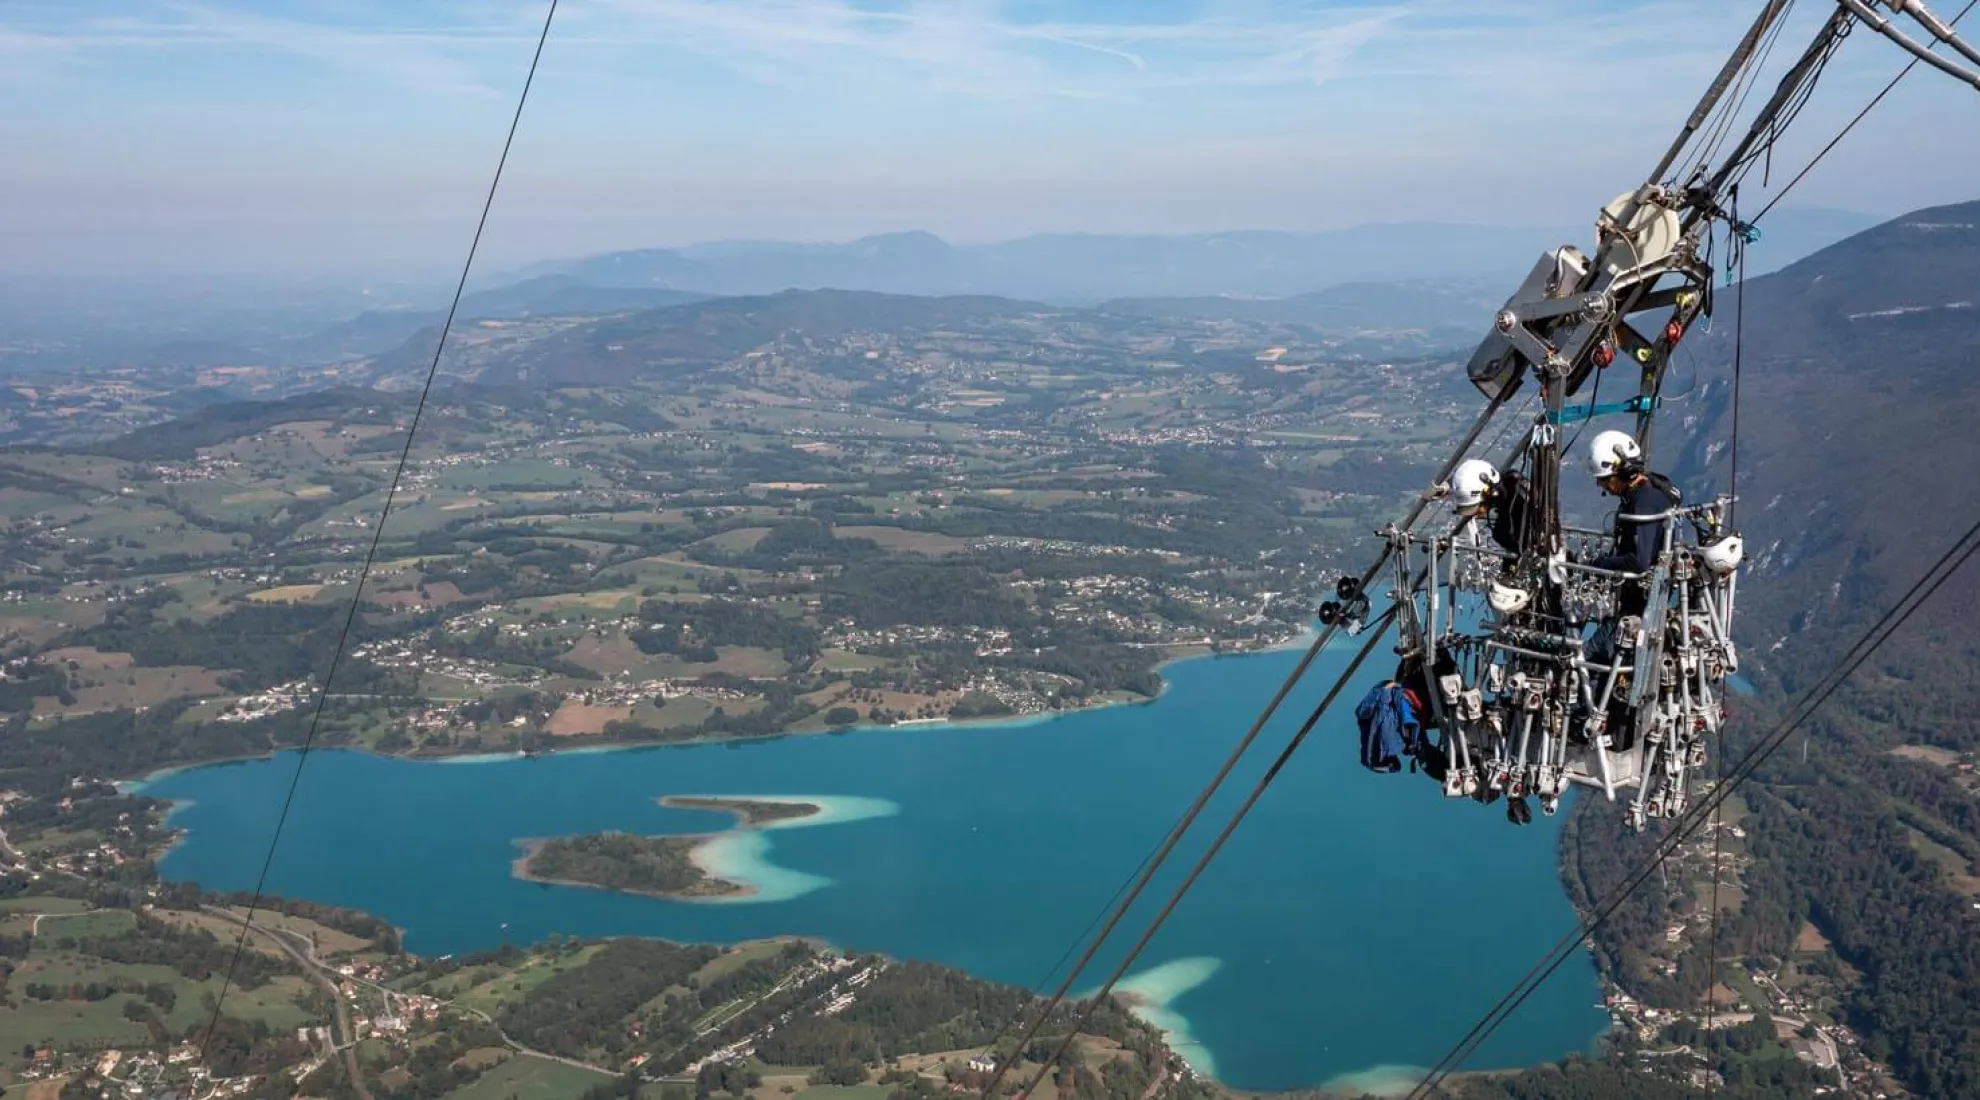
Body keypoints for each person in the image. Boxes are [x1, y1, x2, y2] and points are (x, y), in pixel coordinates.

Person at [1584, 430, 1681, 617]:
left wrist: (1601, 564)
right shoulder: (1650, 489)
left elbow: (1639, 562)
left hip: (1639, 601)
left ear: (1625, 472)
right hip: (1640, 596)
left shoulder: (1644, 501)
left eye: (1605, 479)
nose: (1601, 484)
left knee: (1593, 647)